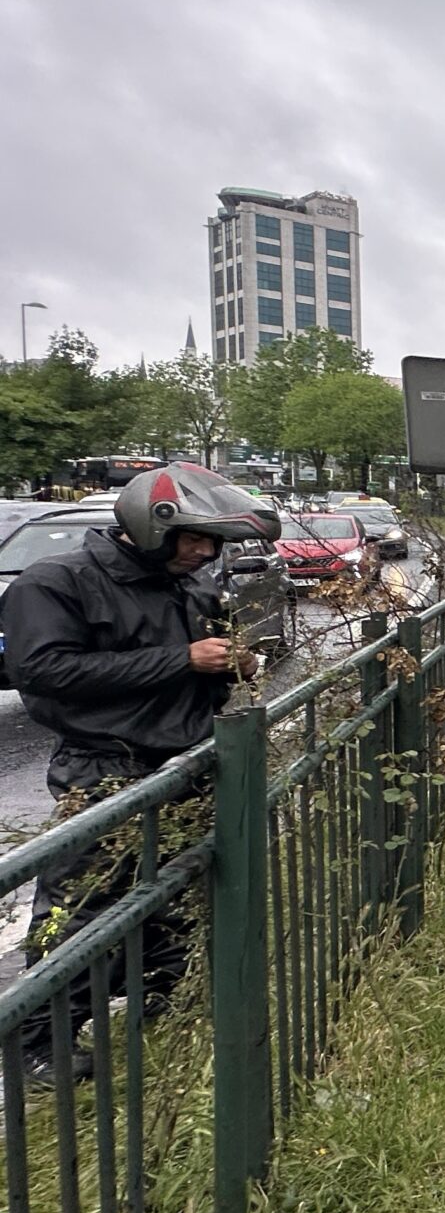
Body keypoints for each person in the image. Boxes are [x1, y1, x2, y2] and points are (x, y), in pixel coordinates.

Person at [0, 463, 280, 1083]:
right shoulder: (58, 584)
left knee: (176, 894)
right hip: (105, 766)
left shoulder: (192, 587)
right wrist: (179, 659)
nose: (205, 552)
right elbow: (44, 674)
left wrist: (237, 664)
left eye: (213, 543)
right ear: (149, 526)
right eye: (194, 538)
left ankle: (161, 991)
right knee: (82, 905)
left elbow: (209, 664)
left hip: (185, 761)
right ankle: (39, 1040)